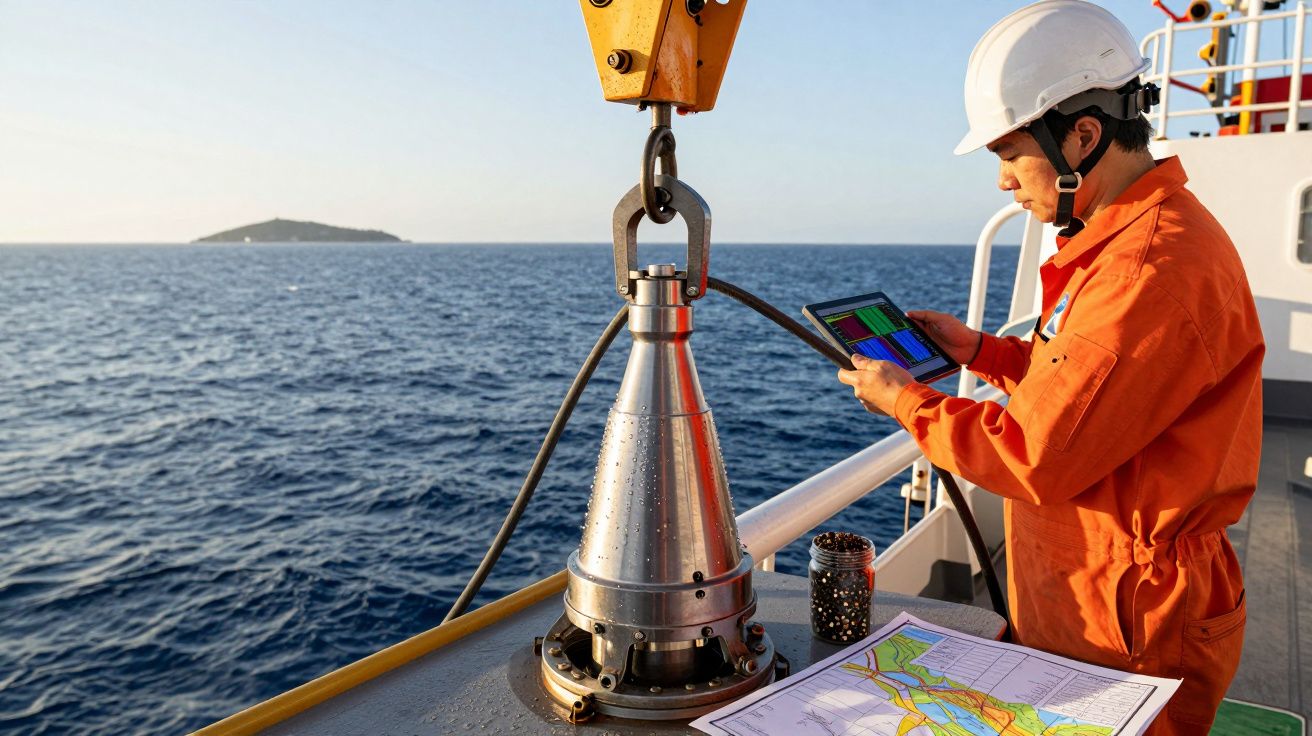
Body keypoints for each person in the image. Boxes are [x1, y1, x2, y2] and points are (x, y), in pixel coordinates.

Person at [837, 1, 1263, 733]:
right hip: (1104, 601)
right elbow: (1093, 384)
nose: (1003, 182)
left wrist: (905, 401)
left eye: (1009, 155)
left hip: (1132, 621)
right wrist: (984, 352)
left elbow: (1034, 451)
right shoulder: (1129, 243)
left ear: (1084, 136)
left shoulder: (1143, 272)